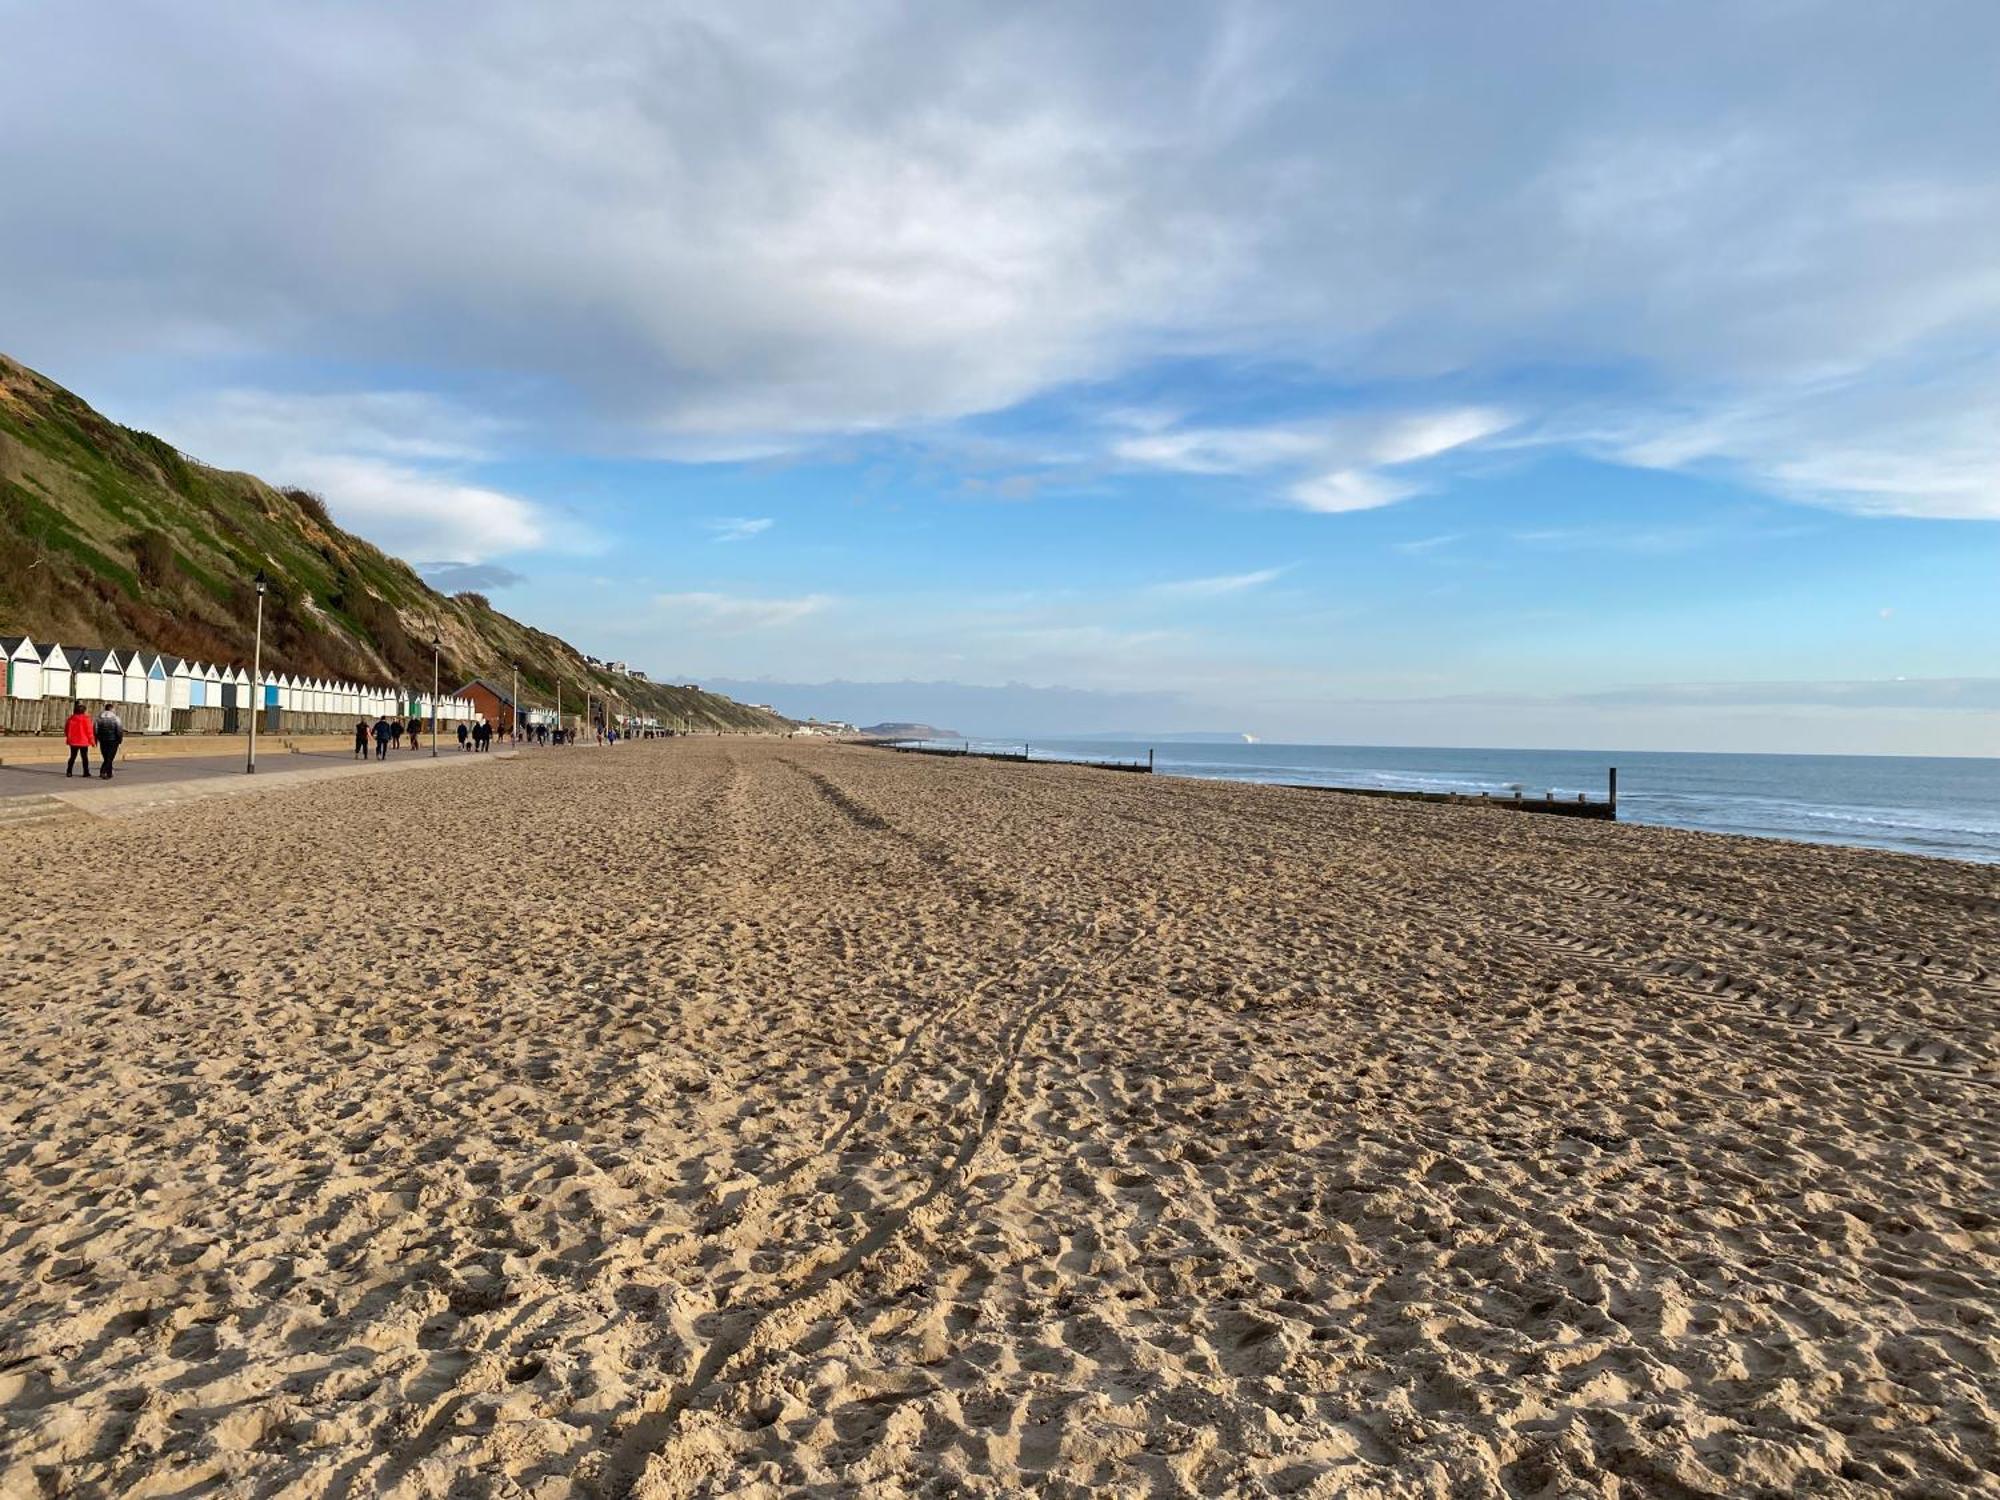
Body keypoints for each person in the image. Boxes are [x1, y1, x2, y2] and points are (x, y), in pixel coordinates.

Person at [63, 700, 95, 778]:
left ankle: (69, 771)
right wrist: (92, 741)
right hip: (83, 741)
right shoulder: (86, 719)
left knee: (72, 757)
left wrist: (69, 737)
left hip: (73, 741)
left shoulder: (70, 719)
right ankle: (86, 772)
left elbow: (66, 730)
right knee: (84, 757)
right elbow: (89, 731)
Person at [93, 703, 125, 779]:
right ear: (112, 709)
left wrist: (96, 739)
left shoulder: (98, 718)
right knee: (110, 757)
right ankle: (103, 771)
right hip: (113, 740)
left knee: (106, 756)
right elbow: (119, 730)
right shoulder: (116, 718)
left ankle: (109, 773)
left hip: (102, 739)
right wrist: (120, 740)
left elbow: (95, 730)